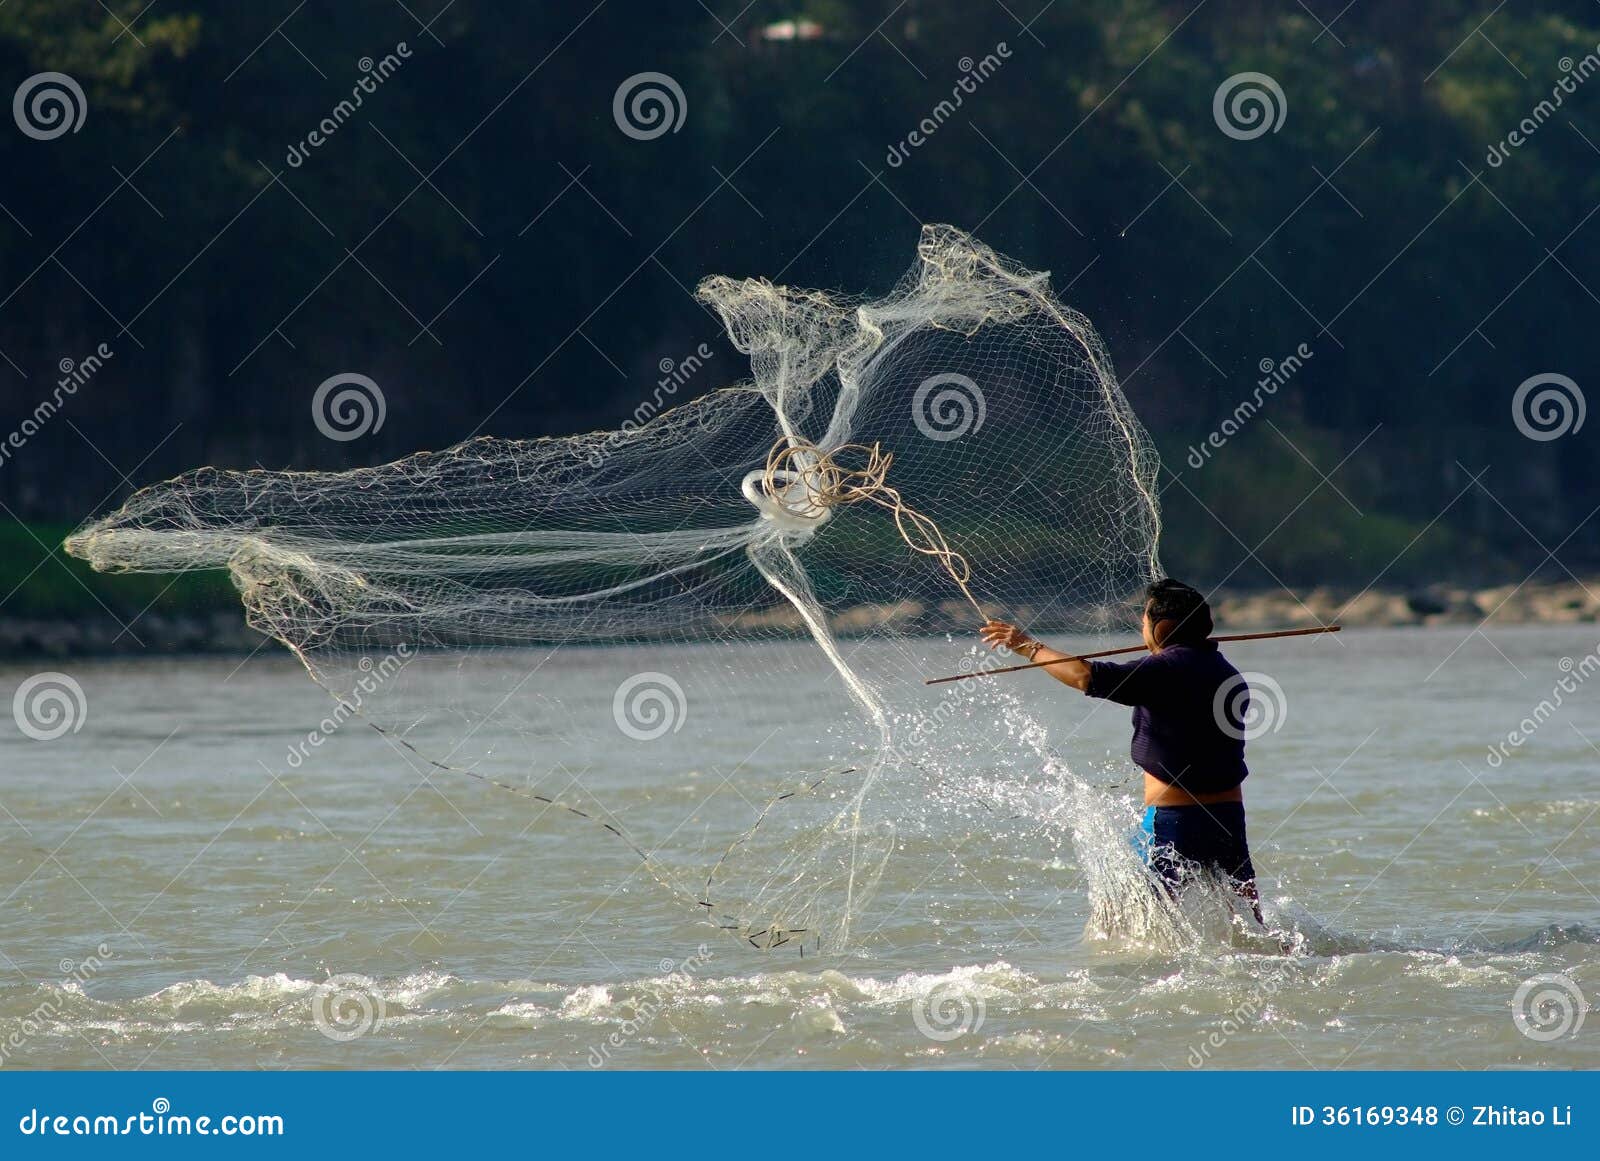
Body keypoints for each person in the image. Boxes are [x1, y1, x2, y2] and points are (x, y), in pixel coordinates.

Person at [980, 578, 1263, 924]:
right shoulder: (1227, 673)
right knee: (1249, 922)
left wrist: (1028, 646)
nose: (1140, 627)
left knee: (1122, 917)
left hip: (1174, 823)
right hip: (1228, 818)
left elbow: (1086, 677)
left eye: (1145, 620)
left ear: (1163, 628)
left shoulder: (1165, 670)